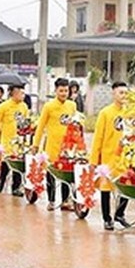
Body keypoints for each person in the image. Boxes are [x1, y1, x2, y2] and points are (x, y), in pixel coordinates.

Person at [89, 81, 130, 230]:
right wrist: (94, 160)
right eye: (121, 93)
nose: (124, 95)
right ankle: (107, 218)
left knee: (127, 185)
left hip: (125, 157)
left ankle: (120, 213)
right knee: (105, 188)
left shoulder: (130, 112)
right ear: (113, 94)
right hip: (108, 157)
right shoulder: (105, 113)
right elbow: (98, 137)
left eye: (126, 93)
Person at [33, 78, 77, 211]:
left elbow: (75, 124)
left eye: (66, 90)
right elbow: (40, 127)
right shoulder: (49, 106)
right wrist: (36, 144)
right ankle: (51, 200)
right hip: (52, 146)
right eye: (61, 90)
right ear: (55, 91)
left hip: (67, 147)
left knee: (66, 173)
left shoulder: (72, 105)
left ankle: (65, 201)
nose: (64, 93)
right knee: (51, 173)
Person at [0, 84, 31, 196]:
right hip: (7, 140)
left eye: (23, 93)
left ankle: (16, 187)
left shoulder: (24, 106)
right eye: (19, 92)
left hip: (20, 141)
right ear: (12, 93)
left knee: (18, 163)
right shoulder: (3, 107)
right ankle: (1, 181)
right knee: (6, 163)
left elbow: (27, 122)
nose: (22, 95)